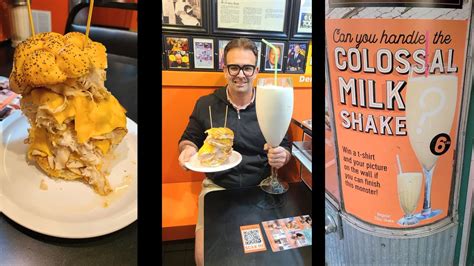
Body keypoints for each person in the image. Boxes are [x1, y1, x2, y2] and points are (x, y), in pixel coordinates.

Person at [177, 38, 292, 266]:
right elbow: (188, 139)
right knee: (206, 258)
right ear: (224, 69)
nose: (241, 74)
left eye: (248, 67)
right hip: (217, 187)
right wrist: (187, 151)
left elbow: (285, 146)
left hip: (260, 187)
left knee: (270, 257)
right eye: (234, 67)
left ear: (256, 71)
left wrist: (283, 156)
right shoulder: (206, 104)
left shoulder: (271, 101)